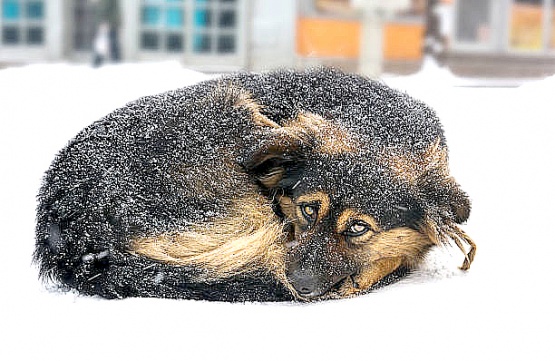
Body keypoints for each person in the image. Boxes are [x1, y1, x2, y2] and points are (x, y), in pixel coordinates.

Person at [92, 0, 122, 67]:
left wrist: (105, 22)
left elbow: (106, 9)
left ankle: (97, 63)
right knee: (105, 43)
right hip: (108, 23)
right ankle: (98, 62)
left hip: (109, 23)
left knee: (109, 43)